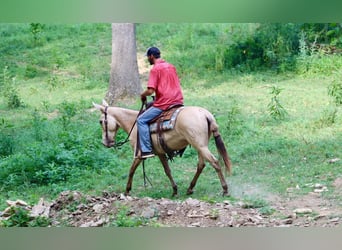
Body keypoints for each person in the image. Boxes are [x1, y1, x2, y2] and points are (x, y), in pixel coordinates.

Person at [137, 47, 184, 159]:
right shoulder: (171, 66)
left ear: (151, 56)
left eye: (148, 57)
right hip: (178, 100)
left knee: (141, 120)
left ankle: (146, 150)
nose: (148, 59)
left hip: (165, 103)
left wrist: (143, 95)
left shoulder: (155, 69)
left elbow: (150, 90)